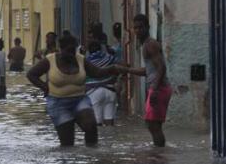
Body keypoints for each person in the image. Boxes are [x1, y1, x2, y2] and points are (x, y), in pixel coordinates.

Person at [26, 34, 124, 147]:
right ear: (61, 49)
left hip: (79, 100)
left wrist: (112, 68)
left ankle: (92, 156)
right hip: (58, 104)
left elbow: (97, 73)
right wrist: (44, 87)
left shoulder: (80, 59)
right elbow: (31, 74)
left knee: (91, 125)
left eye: (73, 50)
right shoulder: (50, 60)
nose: (72, 54)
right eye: (69, 51)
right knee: (68, 144)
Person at [125, 14, 172, 147]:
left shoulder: (150, 44)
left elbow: (162, 67)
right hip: (158, 87)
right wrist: (127, 70)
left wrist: (155, 89)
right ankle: (159, 153)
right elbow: (149, 71)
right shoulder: (146, 44)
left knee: (153, 125)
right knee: (153, 125)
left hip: (159, 88)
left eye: (140, 27)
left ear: (147, 27)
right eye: (135, 28)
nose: (138, 30)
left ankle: (159, 157)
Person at [85, 39, 119, 126]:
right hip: (110, 91)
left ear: (89, 50)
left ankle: (100, 139)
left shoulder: (86, 61)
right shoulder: (109, 58)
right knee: (109, 124)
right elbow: (120, 66)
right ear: (101, 48)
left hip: (94, 93)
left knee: (97, 125)